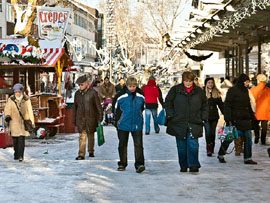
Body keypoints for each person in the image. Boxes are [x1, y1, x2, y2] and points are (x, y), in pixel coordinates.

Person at [165, 71, 208, 173]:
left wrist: (203, 117)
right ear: (183, 80)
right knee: (181, 146)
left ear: (193, 81)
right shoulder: (175, 90)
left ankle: (193, 165)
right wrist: (171, 114)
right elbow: (168, 102)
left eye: (190, 81)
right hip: (178, 122)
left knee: (193, 144)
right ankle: (183, 165)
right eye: (186, 81)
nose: (188, 83)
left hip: (195, 121)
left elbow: (205, 105)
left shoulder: (199, 91)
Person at [217, 73, 257, 164]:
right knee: (228, 139)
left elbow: (248, 104)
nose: (248, 83)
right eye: (246, 82)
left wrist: (252, 116)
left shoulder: (246, 91)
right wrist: (228, 118)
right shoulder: (232, 90)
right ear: (243, 81)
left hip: (245, 119)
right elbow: (227, 104)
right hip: (234, 119)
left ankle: (248, 158)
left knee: (248, 139)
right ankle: (221, 154)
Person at [112, 76, 145, 173]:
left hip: (137, 124)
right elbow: (115, 109)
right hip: (123, 124)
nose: (132, 88)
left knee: (138, 145)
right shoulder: (120, 96)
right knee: (122, 144)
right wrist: (117, 121)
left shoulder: (140, 95)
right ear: (126, 86)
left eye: (134, 86)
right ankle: (122, 163)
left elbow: (142, 107)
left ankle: (139, 164)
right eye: (130, 86)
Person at [72, 75, 103, 160]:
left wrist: (100, 117)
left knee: (91, 135)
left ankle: (91, 150)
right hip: (80, 118)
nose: (80, 86)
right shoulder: (77, 94)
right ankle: (81, 154)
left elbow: (98, 106)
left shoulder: (93, 93)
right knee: (82, 136)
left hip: (91, 118)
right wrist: (74, 119)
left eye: (81, 84)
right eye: (79, 85)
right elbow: (75, 107)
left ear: (86, 83)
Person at [4, 83, 35, 162]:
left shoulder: (26, 99)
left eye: (19, 92)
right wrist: (7, 116)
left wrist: (32, 121)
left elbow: (30, 110)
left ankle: (21, 155)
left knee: (21, 139)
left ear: (22, 91)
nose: (18, 93)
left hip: (24, 122)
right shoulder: (11, 99)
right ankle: (16, 154)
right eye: (16, 92)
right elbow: (7, 109)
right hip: (14, 122)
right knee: (15, 140)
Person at [204, 77, 224, 157]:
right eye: (209, 83)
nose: (210, 84)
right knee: (208, 132)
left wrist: (225, 113)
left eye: (211, 83)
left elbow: (221, 105)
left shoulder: (216, 92)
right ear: (206, 84)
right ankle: (208, 148)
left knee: (212, 133)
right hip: (206, 115)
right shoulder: (202, 92)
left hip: (214, 115)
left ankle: (212, 146)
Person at [251, 74, 270, 145]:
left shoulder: (253, 89)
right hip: (265, 110)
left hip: (256, 110)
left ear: (258, 80)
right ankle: (263, 139)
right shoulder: (268, 90)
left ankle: (256, 135)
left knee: (255, 123)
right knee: (264, 126)